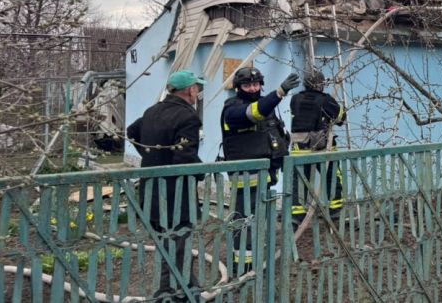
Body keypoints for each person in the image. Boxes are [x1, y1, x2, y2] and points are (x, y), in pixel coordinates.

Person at [126, 69, 205, 302]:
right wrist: (200, 174)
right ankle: (171, 292)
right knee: (178, 243)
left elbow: (132, 131)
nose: (198, 92)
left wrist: (151, 156)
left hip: (151, 190)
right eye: (197, 88)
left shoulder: (152, 111)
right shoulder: (188, 117)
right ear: (190, 90)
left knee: (168, 243)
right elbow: (184, 159)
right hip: (175, 195)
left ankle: (187, 287)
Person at [220, 66, 299, 273]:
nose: (253, 88)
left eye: (256, 84)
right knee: (244, 221)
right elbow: (254, 112)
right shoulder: (232, 108)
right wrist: (279, 92)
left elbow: (273, 135)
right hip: (246, 177)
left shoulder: (266, 107)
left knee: (259, 220)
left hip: (267, 176)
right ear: (238, 88)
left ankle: (257, 260)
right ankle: (243, 268)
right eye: (247, 85)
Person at [289, 68, 346, 227]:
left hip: (299, 149)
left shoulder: (295, 99)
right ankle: (335, 210)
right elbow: (341, 119)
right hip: (321, 148)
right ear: (321, 84)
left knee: (299, 182)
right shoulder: (326, 100)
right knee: (332, 176)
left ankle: (297, 215)